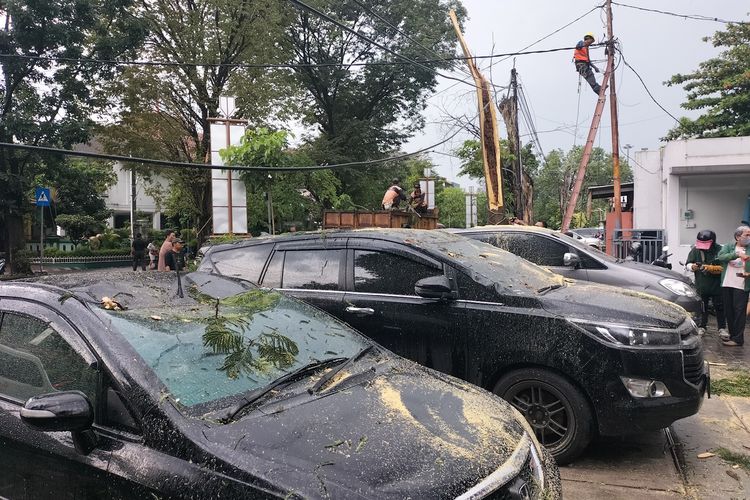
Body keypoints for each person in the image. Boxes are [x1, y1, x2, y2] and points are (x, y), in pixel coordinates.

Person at [686, 230, 726, 337]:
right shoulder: (696, 250)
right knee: (702, 307)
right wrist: (692, 266)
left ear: (712, 241)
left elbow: (724, 267)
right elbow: (688, 263)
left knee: (720, 307)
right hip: (701, 284)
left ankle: (722, 328)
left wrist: (711, 268)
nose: (702, 246)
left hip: (717, 285)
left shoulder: (720, 250)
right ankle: (702, 326)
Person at [717, 225, 750, 346]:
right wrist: (736, 254)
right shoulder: (729, 247)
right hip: (727, 283)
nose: (749, 237)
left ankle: (738, 339)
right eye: (747, 234)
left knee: (739, 312)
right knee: (729, 311)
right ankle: (732, 335)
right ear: (737, 236)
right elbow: (721, 257)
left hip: (742, 285)